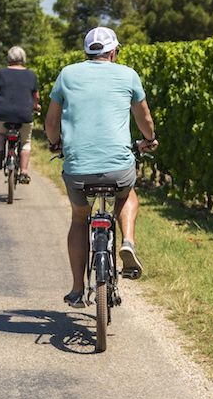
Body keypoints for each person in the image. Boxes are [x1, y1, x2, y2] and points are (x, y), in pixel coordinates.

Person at [44, 26, 157, 306]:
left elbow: (51, 122)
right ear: (114, 52)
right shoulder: (128, 75)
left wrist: (55, 143)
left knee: (79, 218)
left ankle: (76, 289)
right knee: (127, 194)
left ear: (86, 53)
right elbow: (144, 119)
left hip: (78, 170)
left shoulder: (67, 74)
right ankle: (127, 241)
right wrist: (149, 139)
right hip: (118, 169)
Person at [0, 45, 39, 183]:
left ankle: (1, 151)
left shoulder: (1, 73)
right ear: (23, 59)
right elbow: (36, 96)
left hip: (2, 113)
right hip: (24, 115)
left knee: (0, 133)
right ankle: (24, 172)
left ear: (9, 59)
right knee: (25, 142)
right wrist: (35, 106)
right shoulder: (31, 75)